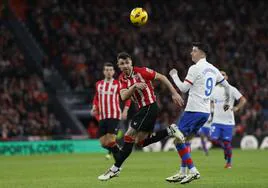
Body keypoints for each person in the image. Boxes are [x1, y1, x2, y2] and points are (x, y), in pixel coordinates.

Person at [98, 52, 185, 181]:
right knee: (141, 142)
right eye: (122, 64)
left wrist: (174, 93)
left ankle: (115, 169)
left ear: (131, 62)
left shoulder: (142, 72)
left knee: (128, 136)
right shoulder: (122, 79)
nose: (125, 66)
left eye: (127, 62)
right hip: (144, 110)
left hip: (149, 107)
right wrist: (134, 86)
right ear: (118, 65)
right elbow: (123, 96)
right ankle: (170, 130)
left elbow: (162, 77)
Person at [166, 42, 231, 184]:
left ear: (201, 53)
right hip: (205, 112)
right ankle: (182, 172)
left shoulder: (195, 68)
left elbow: (183, 88)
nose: (191, 53)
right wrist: (227, 101)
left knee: (177, 140)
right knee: (186, 140)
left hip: (193, 110)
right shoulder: (214, 69)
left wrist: (174, 75)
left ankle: (193, 171)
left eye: (194, 51)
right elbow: (226, 86)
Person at [91, 62, 131, 161]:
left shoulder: (118, 84)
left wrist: (125, 110)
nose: (108, 72)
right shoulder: (98, 84)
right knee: (103, 143)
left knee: (111, 140)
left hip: (114, 115)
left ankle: (117, 164)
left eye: (110, 70)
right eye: (106, 70)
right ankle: (119, 152)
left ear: (113, 72)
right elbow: (96, 97)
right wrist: (94, 107)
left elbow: (128, 98)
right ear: (104, 72)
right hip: (102, 116)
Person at [210, 71, 247, 168]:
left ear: (227, 77)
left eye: (223, 74)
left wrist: (237, 108)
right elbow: (209, 101)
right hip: (216, 121)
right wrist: (211, 107)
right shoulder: (214, 89)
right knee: (213, 140)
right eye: (220, 75)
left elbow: (243, 100)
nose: (222, 76)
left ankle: (229, 163)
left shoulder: (232, 89)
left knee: (227, 142)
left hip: (228, 122)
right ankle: (226, 150)